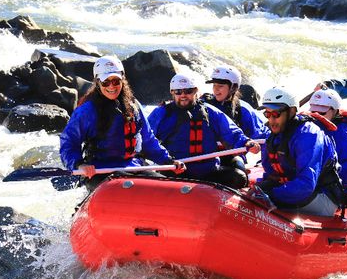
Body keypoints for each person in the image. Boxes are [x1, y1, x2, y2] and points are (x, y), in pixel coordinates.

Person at [59, 55, 184, 191]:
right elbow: (69, 142)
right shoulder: (86, 111)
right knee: (127, 186)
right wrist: (79, 164)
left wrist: (168, 160)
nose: (111, 86)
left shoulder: (133, 106)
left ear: (122, 80)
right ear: (97, 83)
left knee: (167, 188)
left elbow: (148, 140)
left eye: (116, 81)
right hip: (100, 171)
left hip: (134, 167)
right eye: (106, 82)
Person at [148, 73, 260, 189]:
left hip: (207, 171)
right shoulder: (161, 113)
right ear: (172, 92)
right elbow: (146, 138)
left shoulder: (210, 112)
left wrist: (246, 142)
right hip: (176, 169)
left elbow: (231, 132)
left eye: (188, 91)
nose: (183, 95)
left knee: (238, 177)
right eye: (178, 92)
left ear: (196, 91)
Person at [256, 86, 343, 217]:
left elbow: (306, 185)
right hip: (293, 189)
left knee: (265, 198)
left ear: (291, 111)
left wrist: (272, 195)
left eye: (276, 114)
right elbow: (271, 172)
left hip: (320, 196)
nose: (271, 120)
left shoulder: (309, 135)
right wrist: (260, 190)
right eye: (267, 114)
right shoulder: (275, 134)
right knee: (258, 194)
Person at [200, 65, 269, 140]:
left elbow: (261, 137)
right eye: (214, 85)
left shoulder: (244, 110)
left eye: (220, 86)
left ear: (233, 88)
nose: (215, 89)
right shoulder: (205, 104)